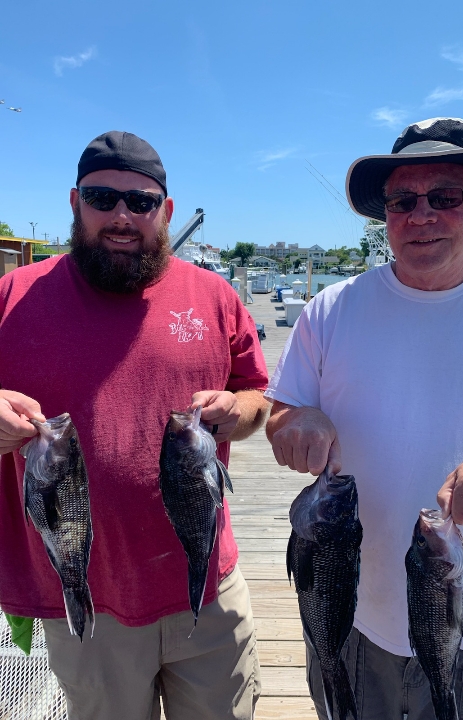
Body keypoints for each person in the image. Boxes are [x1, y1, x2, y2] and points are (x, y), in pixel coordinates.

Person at [265, 117, 463, 719]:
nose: (421, 215)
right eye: (402, 201)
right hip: (352, 616)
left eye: (445, 197)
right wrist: (296, 422)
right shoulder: (330, 308)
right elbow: (279, 413)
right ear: (385, 215)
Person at [0, 131, 269, 720]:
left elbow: (257, 396)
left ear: (165, 211)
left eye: (141, 202)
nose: (122, 216)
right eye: (102, 198)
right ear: (76, 202)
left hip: (209, 586)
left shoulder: (215, 295)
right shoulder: (12, 295)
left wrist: (239, 412)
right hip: (83, 597)